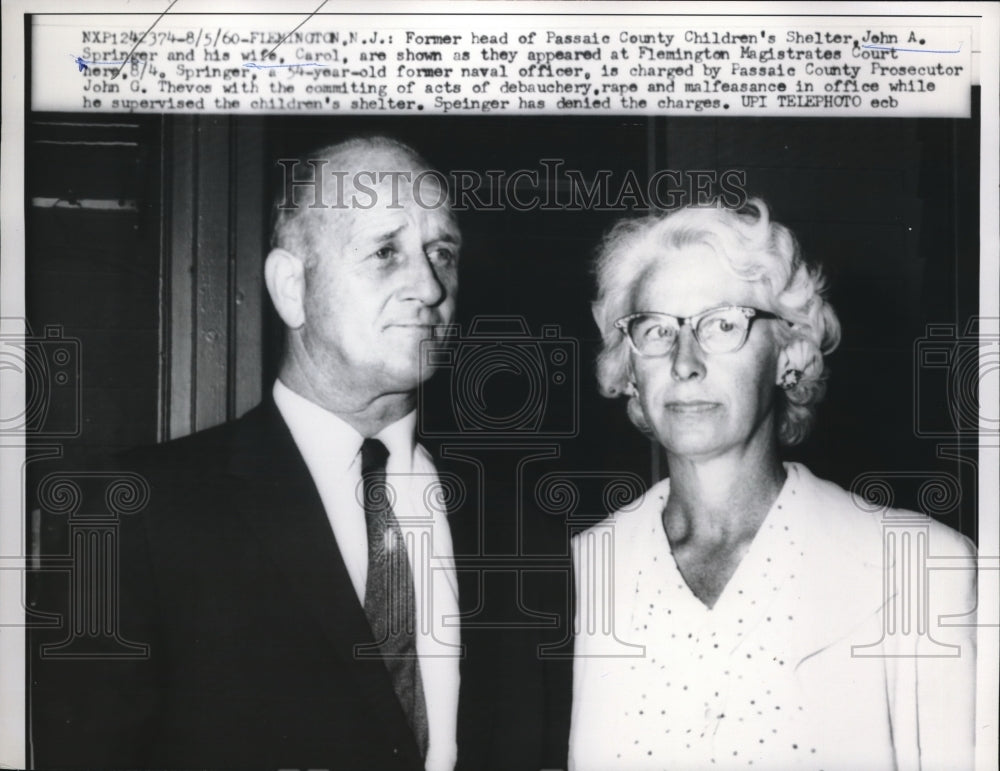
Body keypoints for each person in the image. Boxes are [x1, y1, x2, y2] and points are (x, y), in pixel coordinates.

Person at [31, 136, 564, 771]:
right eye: (385, 252)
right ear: (291, 286)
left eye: (442, 252)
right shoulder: (134, 513)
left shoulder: (522, 529)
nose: (428, 286)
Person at [569, 199, 977, 770]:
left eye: (723, 324)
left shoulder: (923, 570)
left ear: (788, 353)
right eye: (656, 329)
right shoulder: (581, 572)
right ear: (631, 371)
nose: (684, 362)